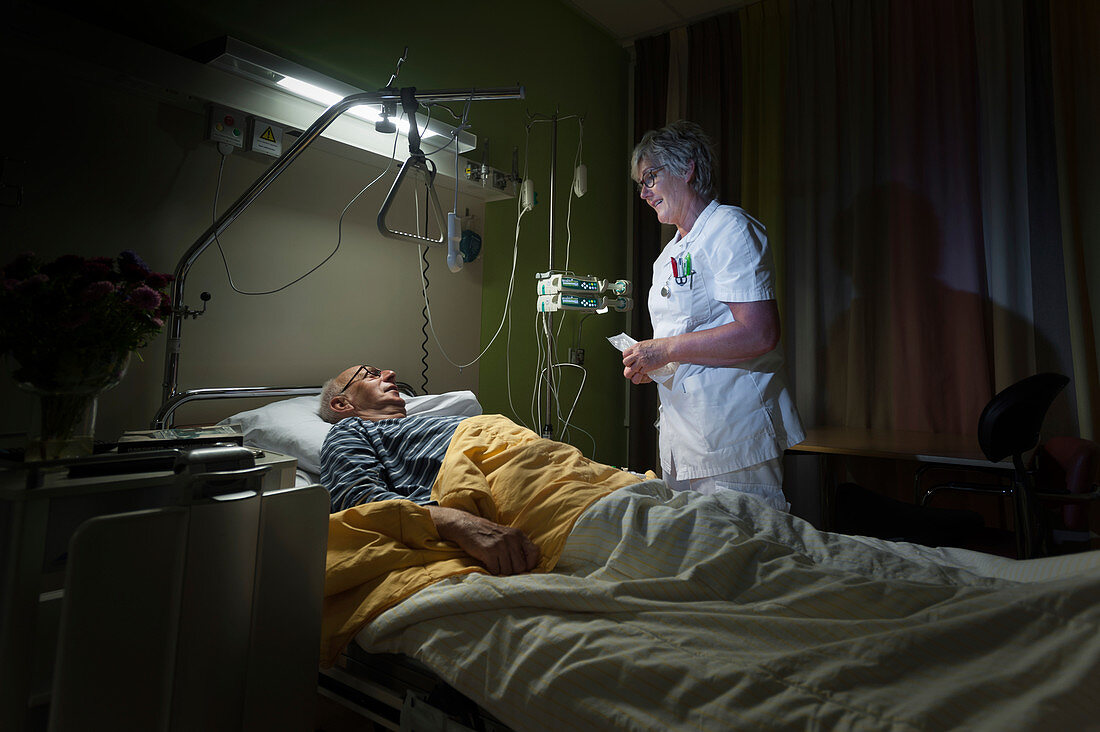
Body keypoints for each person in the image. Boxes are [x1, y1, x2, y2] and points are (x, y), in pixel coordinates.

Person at [623, 120, 804, 511]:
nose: (644, 192)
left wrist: (666, 349)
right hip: (682, 443)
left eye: (650, 177)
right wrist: (650, 361)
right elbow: (687, 341)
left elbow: (758, 333)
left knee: (748, 558)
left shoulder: (730, 229)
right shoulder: (666, 257)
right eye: (640, 184)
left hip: (733, 438)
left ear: (686, 169)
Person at [318, 363, 540, 576]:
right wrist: (458, 523)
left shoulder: (436, 423)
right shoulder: (351, 431)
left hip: (534, 462)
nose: (392, 373)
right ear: (341, 404)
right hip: (504, 493)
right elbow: (358, 500)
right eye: (371, 374)